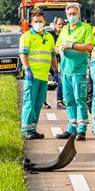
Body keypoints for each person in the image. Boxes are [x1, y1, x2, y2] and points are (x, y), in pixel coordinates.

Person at [54, 2, 95, 140]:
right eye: (70, 14)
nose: (72, 16)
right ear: (66, 15)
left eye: (74, 13)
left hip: (78, 70)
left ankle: (81, 129)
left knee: (80, 99)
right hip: (65, 70)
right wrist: (60, 49)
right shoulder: (65, 29)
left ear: (79, 14)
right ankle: (71, 128)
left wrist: (72, 45)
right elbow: (56, 47)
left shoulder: (85, 28)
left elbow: (89, 46)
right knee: (69, 100)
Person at [18, 10, 56, 140]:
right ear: (31, 22)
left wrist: (56, 71)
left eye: (40, 21)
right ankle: (25, 129)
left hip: (44, 77)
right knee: (29, 103)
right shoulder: (26, 36)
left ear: (44, 22)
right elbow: (23, 54)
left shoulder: (49, 37)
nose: (38, 23)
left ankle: (33, 129)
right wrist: (27, 69)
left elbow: (52, 56)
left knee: (38, 104)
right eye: (36, 21)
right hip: (32, 76)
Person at [48, 16, 67, 109]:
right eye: (59, 24)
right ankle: (59, 101)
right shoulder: (50, 35)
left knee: (62, 81)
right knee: (59, 80)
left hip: (62, 63)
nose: (61, 25)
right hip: (51, 63)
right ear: (55, 25)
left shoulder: (66, 34)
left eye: (63, 24)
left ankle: (62, 101)